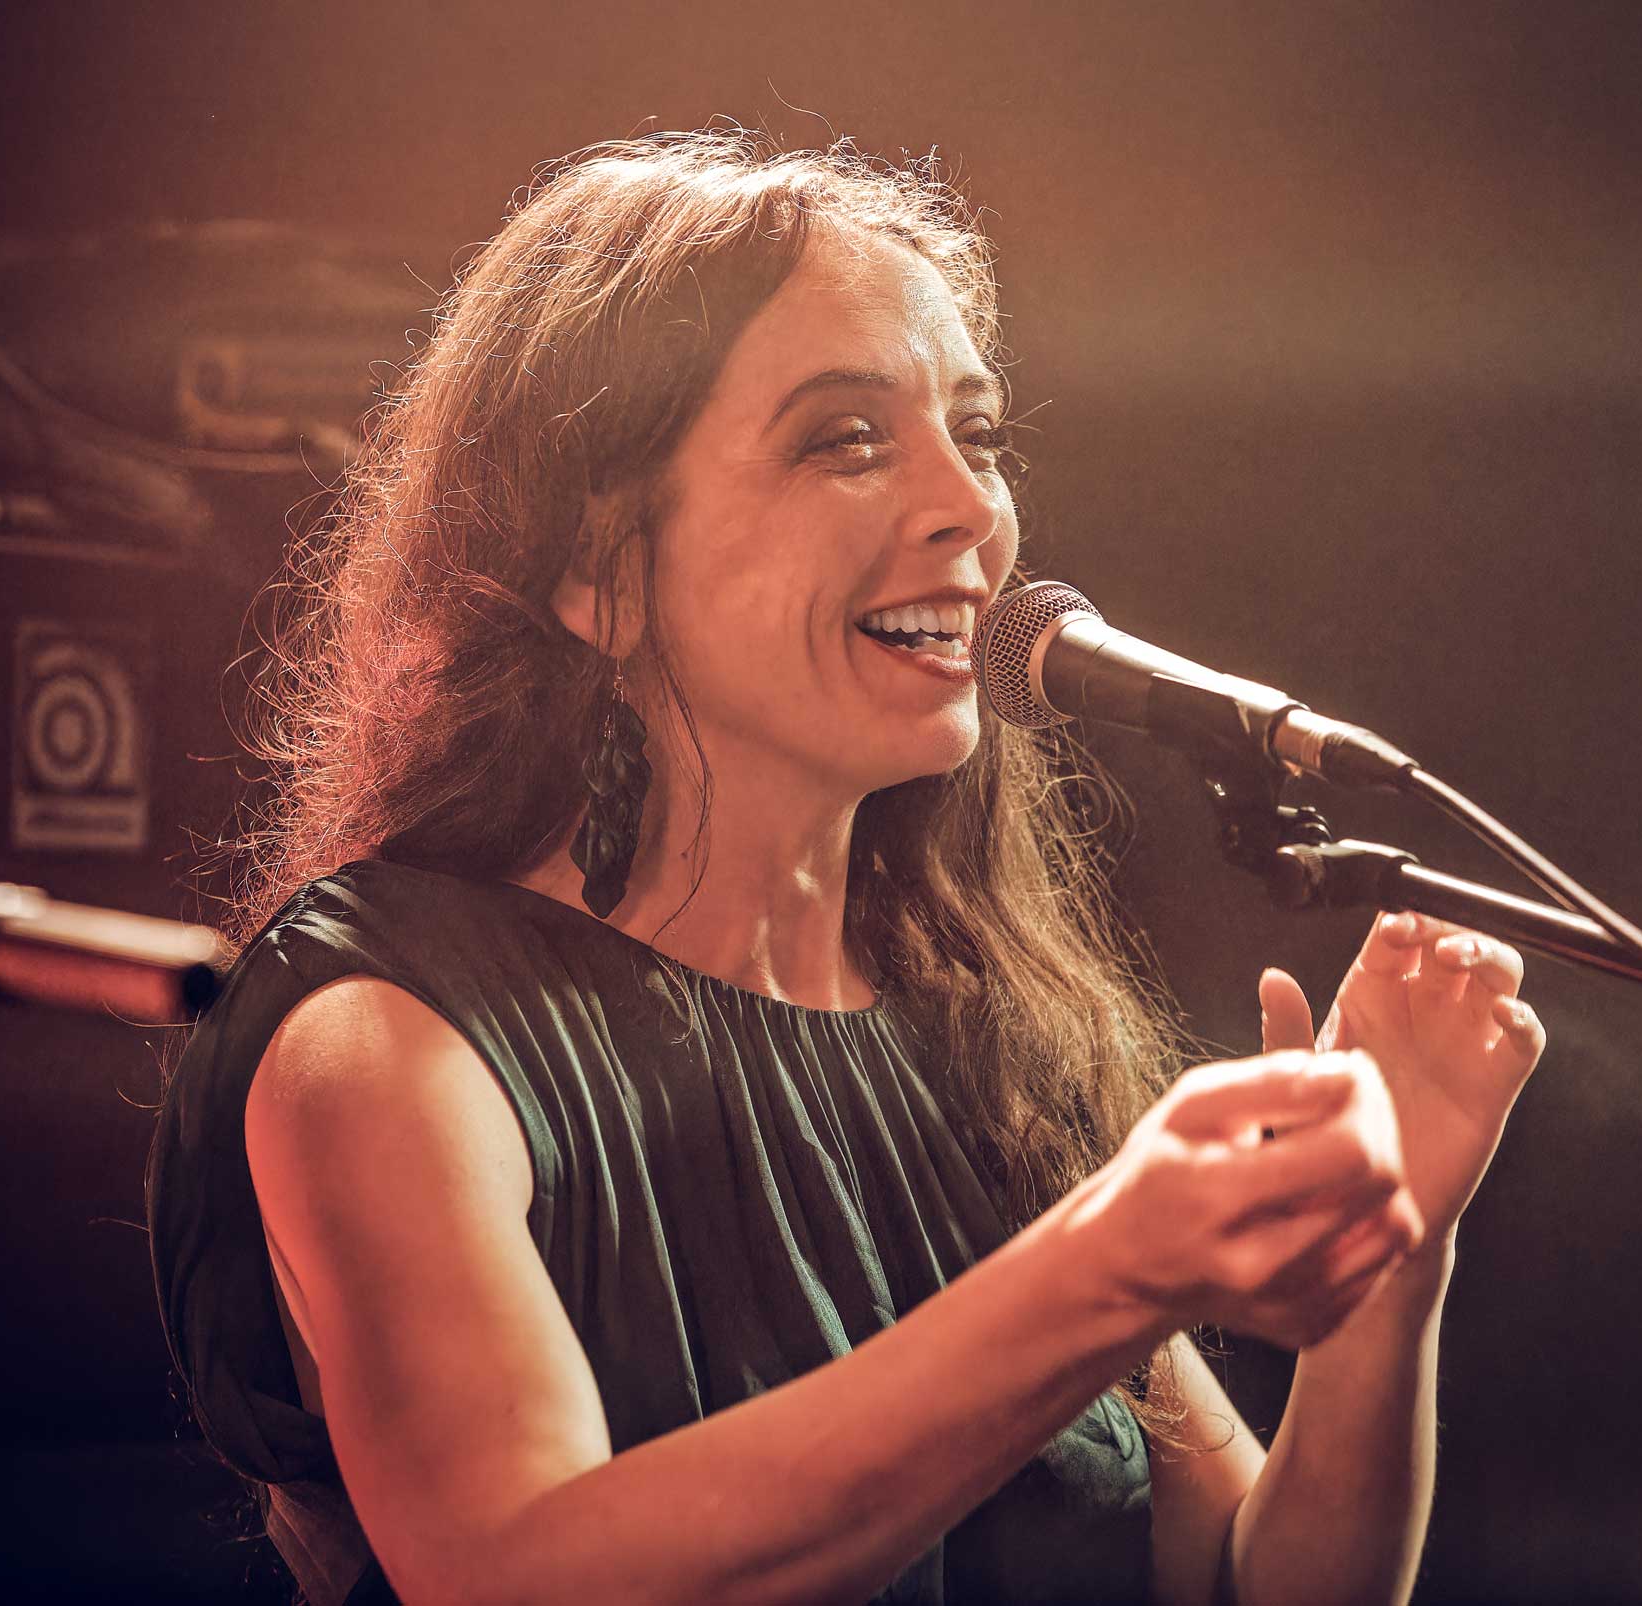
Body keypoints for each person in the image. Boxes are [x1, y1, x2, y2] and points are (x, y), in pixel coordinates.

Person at [148, 129, 1545, 1606]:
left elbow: (1255, 1586)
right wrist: (1100, 1268)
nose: (972, 510)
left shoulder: (965, 1028)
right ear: (597, 570)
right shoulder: (383, 1036)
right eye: (846, 439)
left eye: (977, 432)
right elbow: (517, 1573)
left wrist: (1394, 1265)